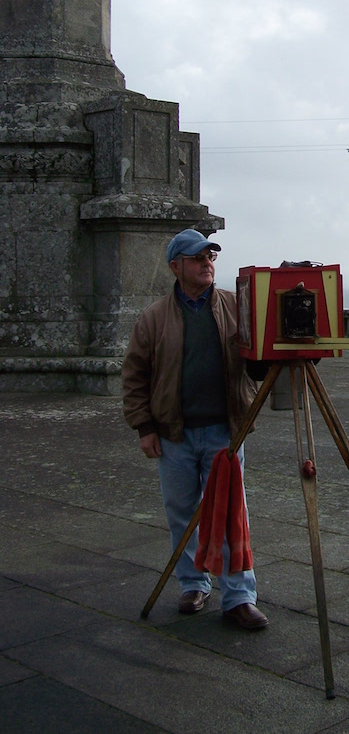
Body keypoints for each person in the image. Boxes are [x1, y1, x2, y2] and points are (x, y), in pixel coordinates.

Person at [122, 228, 269, 629]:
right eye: (197, 257)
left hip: (225, 432)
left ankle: (239, 596)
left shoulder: (235, 306)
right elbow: (135, 377)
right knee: (182, 514)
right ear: (176, 266)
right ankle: (193, 584)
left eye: (210, 256)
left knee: (231, 515)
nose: (207, 263)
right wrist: (144, 428)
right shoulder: (153, 318)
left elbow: (256, 358)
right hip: (174, 434)